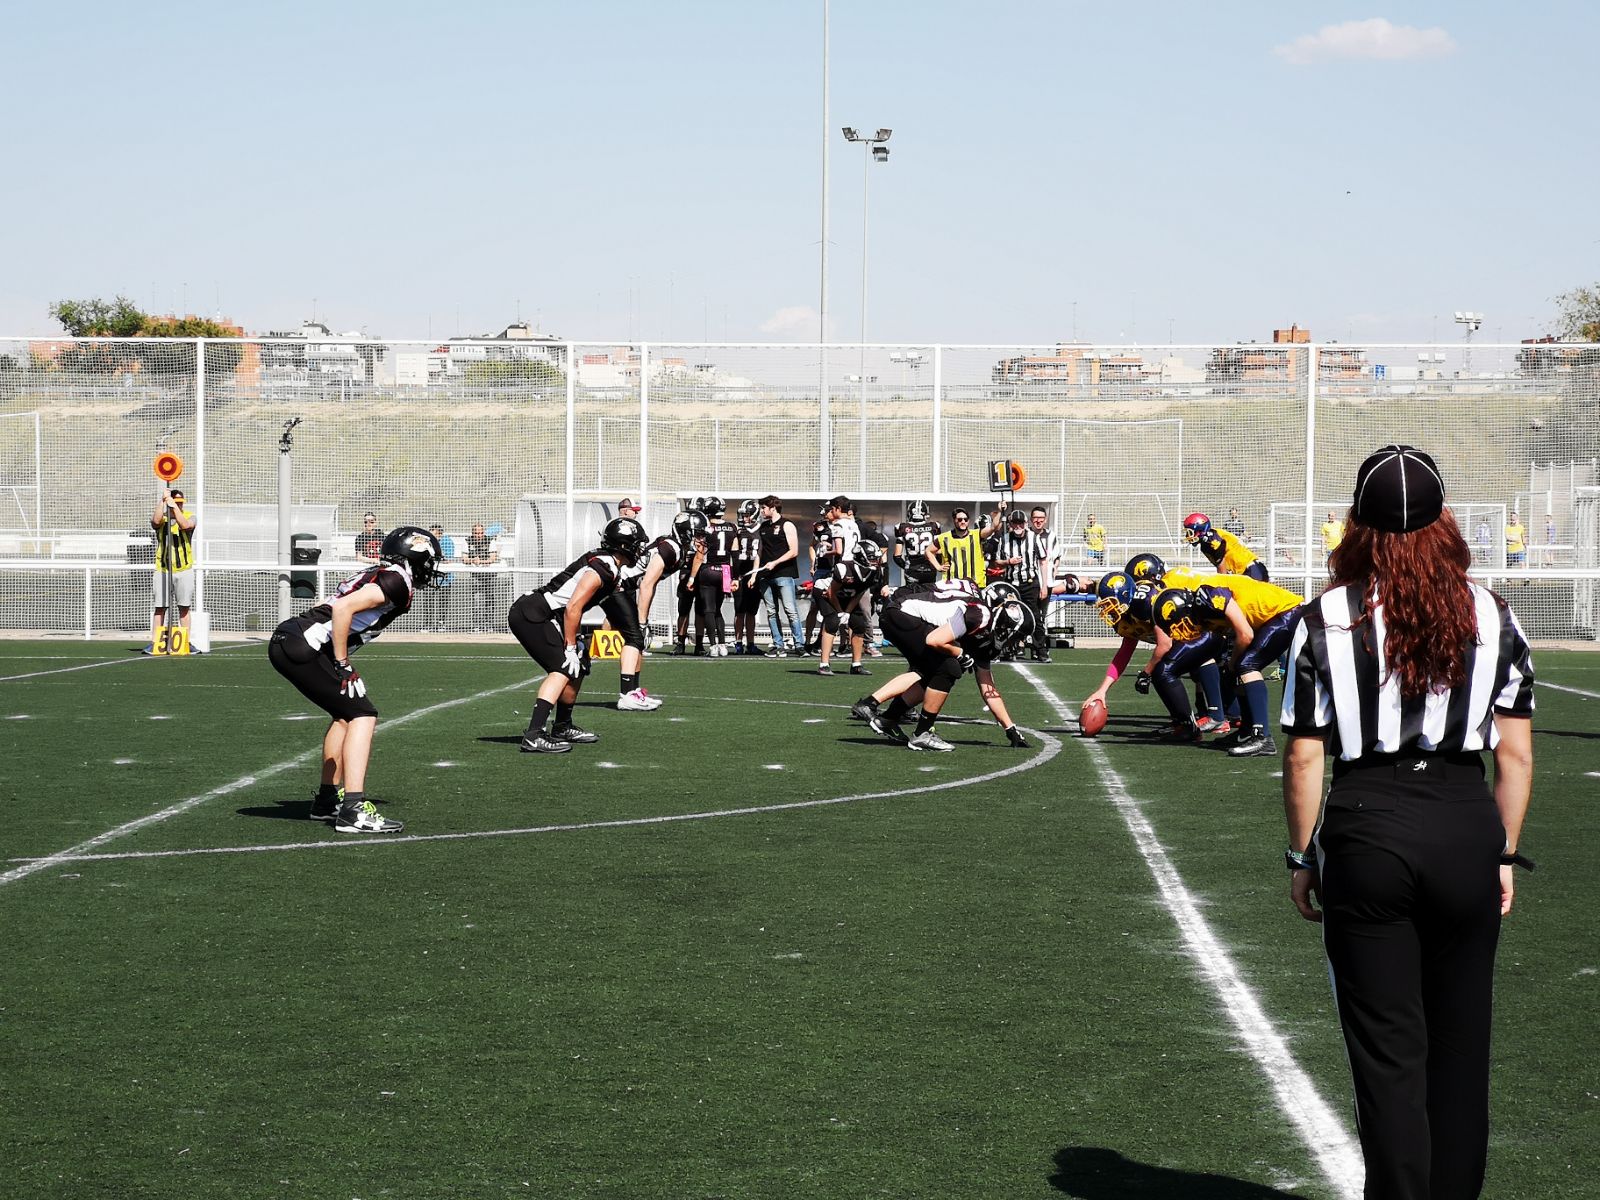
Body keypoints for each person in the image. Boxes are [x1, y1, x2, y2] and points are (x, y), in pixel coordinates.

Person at [1280, 444, 1535, 1200]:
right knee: (1461, 1048)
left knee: (1389, 1055)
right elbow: (1514, 757)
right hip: (1463, 819)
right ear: (1443, 518)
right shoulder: (1493, 611)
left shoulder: (1325, 615)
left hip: (1369, 821)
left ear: (1357, 523)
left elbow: (1303, 758)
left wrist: (1302, 857)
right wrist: (1502, 851)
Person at [268, 525, 442, 833]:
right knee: (363, 715)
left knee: (345, 715)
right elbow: (344, 608)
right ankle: (353, 809)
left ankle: (326, 802)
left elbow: (332, 605)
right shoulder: (397, 580)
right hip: (305, 644)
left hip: (293, 639)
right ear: (414, 558)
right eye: (428, 561)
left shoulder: (381, 573)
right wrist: (343, 663)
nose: (430, 569)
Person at [509, 517, 650, 752]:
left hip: (548, 614)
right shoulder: (603, 568)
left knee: (580, 664)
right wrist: (570, 647)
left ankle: (562, 726)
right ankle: (534, 735)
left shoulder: (610, 567)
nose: (639, 549)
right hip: (535, 613)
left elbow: (577, 608)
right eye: (636, 544)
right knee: (563, 666)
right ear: (623, 545)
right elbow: (573, 607)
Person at [851, 581, 1033, 752]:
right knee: (948, 668)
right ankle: (917, 731)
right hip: (902, 613)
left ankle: (887, 718)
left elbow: (988, 688)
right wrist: (961, 654)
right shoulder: (980, 615)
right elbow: (934, 640)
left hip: (904, 612)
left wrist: (1010, 729)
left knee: (933, 671)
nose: (1016, 644)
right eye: (1016, 638)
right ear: (1006, 626)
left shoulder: (985, 630)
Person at [615, 509, 705, 710]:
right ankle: (627, 694)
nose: (700, 539)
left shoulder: (677, 549)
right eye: (697, 534)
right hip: (617, 585)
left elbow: (651, 584)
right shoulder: (670, 548)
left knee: (637, 638)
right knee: (635, 636)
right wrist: (642, 621)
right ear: (685, 532)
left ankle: (633, 691)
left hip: (624, 587)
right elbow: (646, 583)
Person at [815, 541, 878, 677]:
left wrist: (848, 612)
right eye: (872, 557)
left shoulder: (873, 572)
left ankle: (856, 665)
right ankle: (824, 664)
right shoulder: (844, 568)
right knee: (832, 622)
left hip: (848, 596)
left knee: (859, 625)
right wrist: (840, 612)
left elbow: (860, 592)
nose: (875, 561)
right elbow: (831, 593)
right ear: (861, 556)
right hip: (825, 592)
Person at [147, 484, 197, 653]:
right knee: (160, 607)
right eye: (176, 502)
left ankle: (186, 642)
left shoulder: (190, 516)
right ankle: (156, 642)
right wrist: (163, 501)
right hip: (163, 570)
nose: (179, 505)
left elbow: (185, 525)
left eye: (181, 503)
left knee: (184, 607)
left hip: (184, 570)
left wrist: (174, 506)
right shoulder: (162, 520)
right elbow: (155, 521)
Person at [752, 495, 804, 657]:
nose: (761, 511)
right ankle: (778, 644)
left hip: (783, 574)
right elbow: (759, 553)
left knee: (790, 610)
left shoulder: (787, 525)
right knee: (771, 611)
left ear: (772, 508)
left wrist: (775, 562)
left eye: (763, 508)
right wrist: (755, 574)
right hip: (765, 576)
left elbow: (793, 551)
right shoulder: (763, 527)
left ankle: (799, 645)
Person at [694, 495, 734, 656]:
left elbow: (699, 555)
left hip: (709, 570)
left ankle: (712, 646)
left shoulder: (705, 528)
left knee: (709, 610)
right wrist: (735, 577)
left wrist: (691, 577)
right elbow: (735, 554)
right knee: (718, 609)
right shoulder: (732, 527)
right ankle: (723, 644)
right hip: (725, 571)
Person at [1182, 511, 1269, 582]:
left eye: (1190, 532)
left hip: (1250, 570)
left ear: (1200, 530)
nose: (1187, 535)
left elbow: (1222, 572)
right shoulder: (1207, 542)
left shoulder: (1211, 540)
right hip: (1245, 572)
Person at [730, 499, 763, 654]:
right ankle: (738, 642)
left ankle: (750, 643)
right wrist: (733, 576)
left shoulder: (761, 530)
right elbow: (733, 555)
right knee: (739, 610)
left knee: (752, 611)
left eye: (748, 515)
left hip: (755, 574)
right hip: (740, 574)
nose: (744, 518)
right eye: (743, 515)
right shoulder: (738, 531)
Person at [932, 506, 987, 586]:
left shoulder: (976, 534)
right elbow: (928, 551)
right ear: (954, 520)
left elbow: (993, 527)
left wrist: (999, 512)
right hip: (953, 585)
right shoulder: (944, 538)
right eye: (960, 519)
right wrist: (938, 567)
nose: (963, 522)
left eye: (966, 519)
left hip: (975, 585)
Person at [462, 521, 498, 632]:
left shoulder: (490, 540)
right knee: (477, 600)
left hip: (489, 575)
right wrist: (473, 560)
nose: (479, 535)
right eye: (477, 533)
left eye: (481, 533)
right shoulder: (467, 541)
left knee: (489, 599)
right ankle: (477, 625)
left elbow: (493, 558)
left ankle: (488, 624)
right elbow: (464, 558)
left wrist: (481, 561)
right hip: (476, 576)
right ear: (473, 533)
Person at [420, 522, 456, 631]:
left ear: (439, 534)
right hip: (429, 577)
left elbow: (447, 559)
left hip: (444, 578)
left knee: (443, 601)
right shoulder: (425, 543)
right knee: (428, 601)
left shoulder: (447, 541)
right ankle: (427, 623)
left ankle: (441, 623)